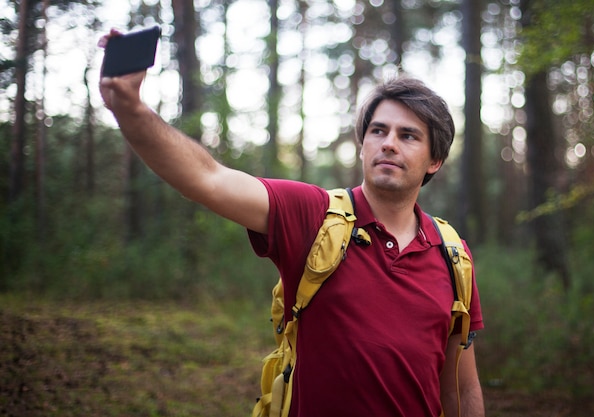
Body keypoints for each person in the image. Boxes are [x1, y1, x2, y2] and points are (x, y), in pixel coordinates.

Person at [98, 29, 485, 417]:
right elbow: (207, 179)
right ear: (363, 144)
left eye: (409, 136)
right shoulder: (314, 216)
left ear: (435, 160)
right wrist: (130, 109)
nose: (388, 143)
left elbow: (461, 387)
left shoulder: (453, 256)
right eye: (378, 130)